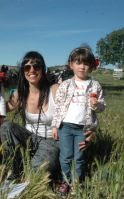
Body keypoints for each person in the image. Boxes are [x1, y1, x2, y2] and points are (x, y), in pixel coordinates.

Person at [52, 46, 106, 195]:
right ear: (71, 64)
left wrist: (96, 105)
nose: (82, 66)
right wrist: (55, 126)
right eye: (78, 62)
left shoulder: (95, 85)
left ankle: (76, 182)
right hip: (66, 127)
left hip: (83, 128)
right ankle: (66, 181)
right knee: (65, 156)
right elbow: (58, 106)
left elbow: (102, 107)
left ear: (91, 66)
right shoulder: (65, 85)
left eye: (86, 63)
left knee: (80, 157)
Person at [0, 51, 60, 182]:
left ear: (43, 69)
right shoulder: (20, 93)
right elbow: (2, 109)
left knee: (34, 174)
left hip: (51, 141)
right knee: (6, 127)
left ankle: (38, 168)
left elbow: (77, 107)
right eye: (27, 67)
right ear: (23, 71)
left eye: (36, 66)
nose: (31, 70)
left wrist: (89, 129)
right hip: (29, 138)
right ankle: (14, 171)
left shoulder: (55, 89)